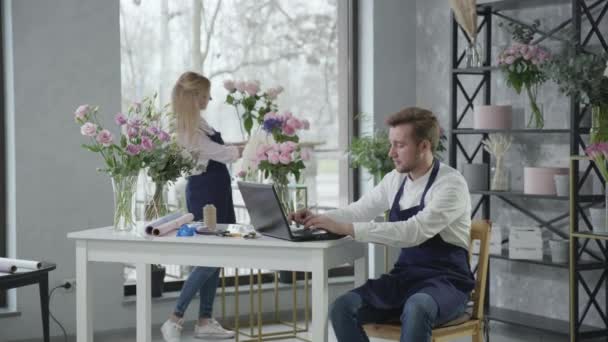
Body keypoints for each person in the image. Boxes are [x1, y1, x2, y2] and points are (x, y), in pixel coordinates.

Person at [290, 107, 474, 342]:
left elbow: (412, 232)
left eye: (399, 145)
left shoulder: (451, 185)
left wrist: (346, 229)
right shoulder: (395, 180)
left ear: (424, 146)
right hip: (405, 278)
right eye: (391, 144)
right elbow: (359, 210)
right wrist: (318, 219)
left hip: (447, 283)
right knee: (341, 308)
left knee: (417, 307)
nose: (391, 153)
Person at [161, 71, 242, 341]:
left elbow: (219, 152)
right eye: (206, 93)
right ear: (194, 96)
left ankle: (205, 319)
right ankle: (175, 318)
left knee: (215, 258)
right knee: (212, 258)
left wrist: (239, 149)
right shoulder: (187, 130)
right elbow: (223, 154)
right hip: (207, 194)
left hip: (216, 190)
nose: (210, 97)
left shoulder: (199, 124)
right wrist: (249, 148)